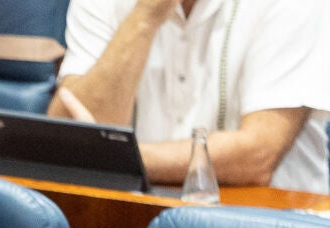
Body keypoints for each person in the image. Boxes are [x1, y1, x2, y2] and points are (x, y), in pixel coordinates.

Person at [51, 0, 330, 194]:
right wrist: (144, 16)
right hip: (138, 214)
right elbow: (70, 141)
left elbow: (257, 155)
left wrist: (123, 158)